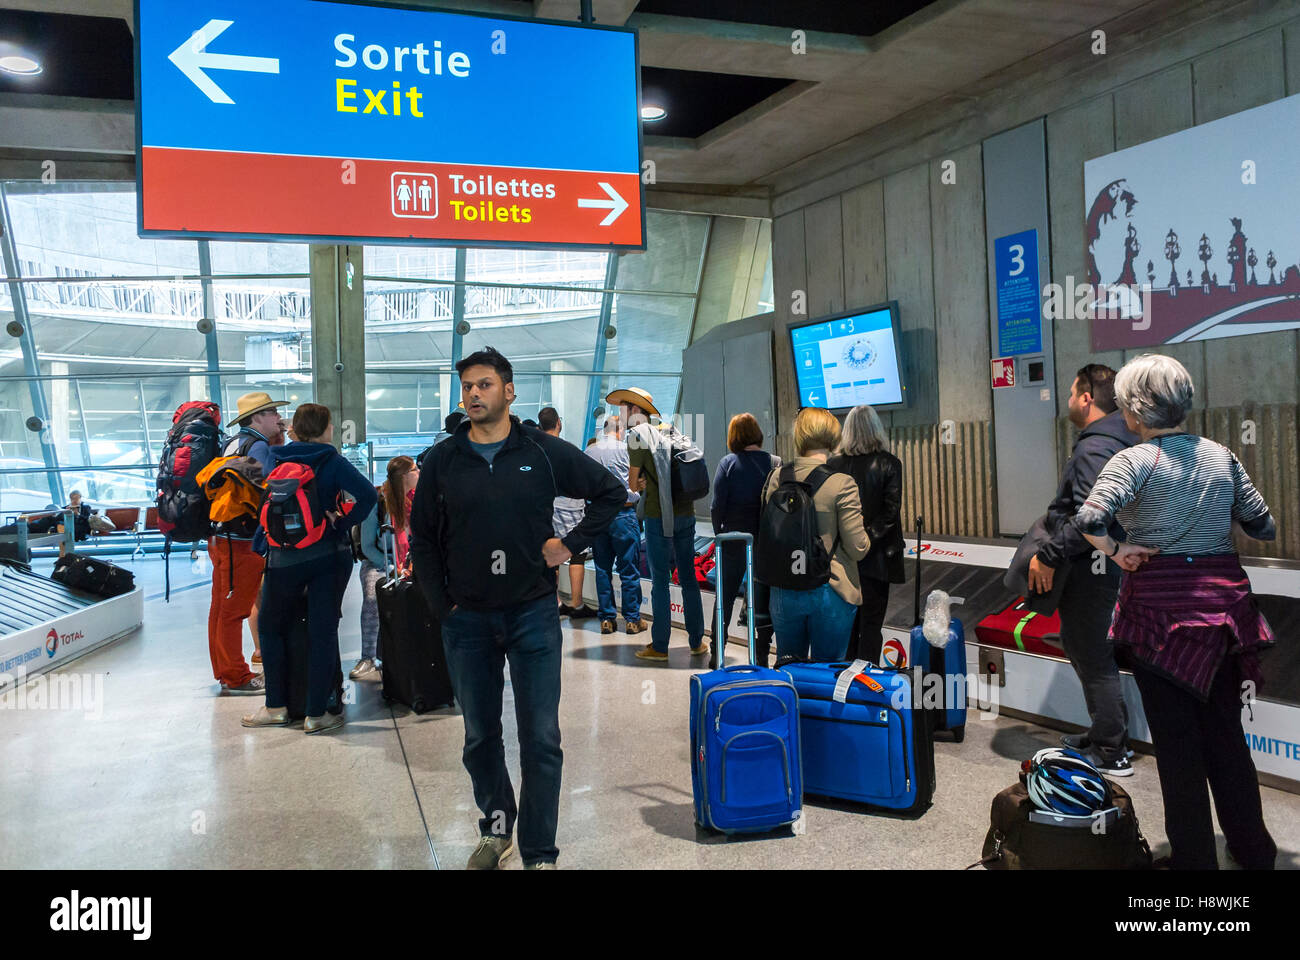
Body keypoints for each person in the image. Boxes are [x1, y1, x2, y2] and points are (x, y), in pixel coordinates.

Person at [409, 347, 624, 869]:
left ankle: (540, 852)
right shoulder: (443, 459)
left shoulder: (541, 451)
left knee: (541, 737)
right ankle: (497, 830)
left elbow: (611, 493)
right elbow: (422, 538)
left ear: (509, 391)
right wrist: (444, 607)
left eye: (484, 385)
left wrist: (569, 545)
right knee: (480, 735)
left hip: (531, 614)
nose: (474, 395)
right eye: (468, 388)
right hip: (469, 619)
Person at [1075, 354, 1278, 870]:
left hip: (1159, 621)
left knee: (1178, 748)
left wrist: (1120, 552)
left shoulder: (1133, 460)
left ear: (1136, 410)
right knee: (1227, 739)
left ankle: (1193, 863)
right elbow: (1263, 525)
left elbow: (1091, 518)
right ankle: (1254, 851)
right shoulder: (1221, 455)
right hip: (1224, 616)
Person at [1028, 364, 1140, 776]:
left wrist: (1049, 555)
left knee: (1091, 654)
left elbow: (1090, 517)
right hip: (1107, 566)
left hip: (1093, 569)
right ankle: (1102, 733)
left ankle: (1111, 751)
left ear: (1088, 398)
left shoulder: (1096, 447)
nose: (1070, 401)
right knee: (1086, 649)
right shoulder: (1121, 439)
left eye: (1073, 393)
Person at [242, 403, 376, 734]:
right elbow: (368, 496)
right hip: (328, 557)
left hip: (283, 558)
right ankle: (317, 713)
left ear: (296, 429)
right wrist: (341, 523)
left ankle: (275, 706)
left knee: (272, 629)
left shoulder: (277, 458)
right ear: (327, 429)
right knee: (322, 631)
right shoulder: (332, 461)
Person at [761, 407, 870, 662]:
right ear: (833, 438)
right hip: (830, 589)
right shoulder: (842, 483)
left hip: (784, 588)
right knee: (827, 674)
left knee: (790, 667)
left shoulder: (777, 477)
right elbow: (858, 547)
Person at [617, 386, 708, 661]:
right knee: (689, 579)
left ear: (633, 409)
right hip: (686, 514)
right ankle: (696, 642)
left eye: (622, 408)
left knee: (660, 581)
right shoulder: (669, 429)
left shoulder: (637, 437)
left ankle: (660, 646)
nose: (620, 414)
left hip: (659, 517)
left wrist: (642, 481)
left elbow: (632, 484)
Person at [208, 392, 286, 696]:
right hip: (241, 541)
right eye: (272, 413)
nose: (278, 419)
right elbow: (272, 490)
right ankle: (236, 675)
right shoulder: (259, 447)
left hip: (220, 537)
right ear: (256, 418)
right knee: (234, 610)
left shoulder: (232, 443)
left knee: (220, 608)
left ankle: (225, 670)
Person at [828, 405, 904, 663]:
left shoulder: (833, 464)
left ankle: (843, 685)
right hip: (879, 557)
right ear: (876, 429)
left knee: (846, 625)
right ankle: (867, 686)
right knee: (872, 626)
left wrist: (852, 541)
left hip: (843, 558)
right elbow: (890, 513)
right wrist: (866, 538)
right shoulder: (890, 464)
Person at [709, 413, 780, 666]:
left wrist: (720, 533)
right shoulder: (775, 463)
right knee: (763, 600)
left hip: (733, 540)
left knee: (724, 599)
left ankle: (717, 651)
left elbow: (717, 505)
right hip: (764, 542)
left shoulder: (727, 463)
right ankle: (761, 652)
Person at [349, 456, 415, 681]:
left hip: (410, 561)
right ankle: (367, 656)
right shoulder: (378, 503)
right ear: (405, 476)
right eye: (415, 470)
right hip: (380, 562)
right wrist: (392, 567)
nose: (419, 473)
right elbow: (368, 547)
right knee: (372, 596)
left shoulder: (418, 500)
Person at [586, 414, 645, 636]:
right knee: (629, 569)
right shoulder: (626, 450)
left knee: (602, 568)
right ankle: (632, 620)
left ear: (604, 429)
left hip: (598, 515)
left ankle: (607, 620)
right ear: (620, 430)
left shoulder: (590, 451)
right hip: (623, 513)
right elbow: (636, 482)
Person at [539, 406, 597, 620]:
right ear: (558, 424)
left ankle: (555, 602)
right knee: (577, 556)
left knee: (550, 557)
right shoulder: (567, 448)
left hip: (547, 508)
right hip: (571, 506)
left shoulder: (535, 449)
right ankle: (577, 604)